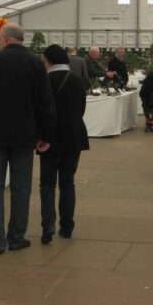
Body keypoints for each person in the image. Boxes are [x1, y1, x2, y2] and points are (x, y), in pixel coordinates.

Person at [0, 23, 56, 254]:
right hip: (25, 136)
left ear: (5, 39)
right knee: (21, 187)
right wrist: (46, 134)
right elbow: (45, 102)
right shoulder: (36, 63)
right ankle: (17, 237)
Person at [38, 45, 89, 244]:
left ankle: (47, 226)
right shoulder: (77, 80)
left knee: (47, 184)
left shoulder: (44, 81)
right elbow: (81, 109)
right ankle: (67, 227)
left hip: (49, 138)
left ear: (49, 60)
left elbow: (40, 111)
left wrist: (40, 136)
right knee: (68, 182)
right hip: (74, 136)